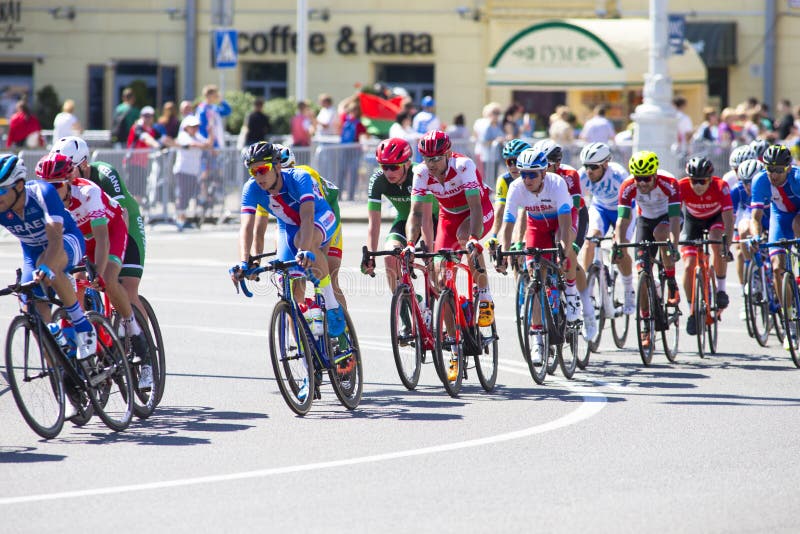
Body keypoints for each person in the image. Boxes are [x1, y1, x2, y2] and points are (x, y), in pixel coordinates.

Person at [36, 153, 153, 389]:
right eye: (46, 187)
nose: (51, 192)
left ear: (68, 181)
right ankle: (90, 354)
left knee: (109, 279)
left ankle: (136, 335)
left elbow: (102, 240)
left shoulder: (87, 193)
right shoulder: (45, 203)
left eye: (56, 186)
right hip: (83, 240)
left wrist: (98, 273)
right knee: (73, 288)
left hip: (112, 230)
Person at [232, 142, 346, 351]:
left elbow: (307, 216)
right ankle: (306, 359)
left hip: (321, 216)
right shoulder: (252, 188)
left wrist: (304, 251)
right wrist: (244, 261)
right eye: (253, 171)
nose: (258, 176)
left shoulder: (299, 177)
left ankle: (331, 304)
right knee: (288, 281)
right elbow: (247, 228)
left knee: (306, 244)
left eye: (262, 169)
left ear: (277, 166)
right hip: (289, 227)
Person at [407, 132, 495, 365]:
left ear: (447, 154)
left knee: (466, 238)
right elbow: (415, 213)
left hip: (477, 212)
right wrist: (409, 244)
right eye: (427, 158)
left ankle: (485, 295)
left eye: (436, 159)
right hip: (449, 217)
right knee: (439, 279)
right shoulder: (421, 173)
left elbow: (476, 207)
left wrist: (475, 240)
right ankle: (455, 346)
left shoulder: (464, 165)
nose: (431, 164)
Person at [0, 154, 95, 362]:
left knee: (48, 265)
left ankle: (83, 326)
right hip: (32, 252)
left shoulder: (44, 193)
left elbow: (55, 242)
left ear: (19, 186)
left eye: (1, 190)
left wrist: (47, 268)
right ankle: (62, 367)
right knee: (30, 307)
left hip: (66, 240)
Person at [494, 148, 580, 363]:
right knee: (534, 274)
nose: (527, 179)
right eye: (523, 174)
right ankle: (538, 340)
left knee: (566, 254)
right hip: (538, 226)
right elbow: (508, 225)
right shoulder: (516, 187)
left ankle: (570, 297)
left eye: (532, 174)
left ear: (543, 172)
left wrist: (562, 249)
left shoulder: (556, 183)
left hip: (560, 223)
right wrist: (504, 252)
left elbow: (565, 223)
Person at [51, 135, 148, 326]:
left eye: (69, 170)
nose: (64, 176)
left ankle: (142, 342)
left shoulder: (104, 173)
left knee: (127, 288)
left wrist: (112, 260)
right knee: (77, 281)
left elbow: (123, 216)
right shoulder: (62, 188)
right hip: (89, 232)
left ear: (84, 164)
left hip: (124, 224)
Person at [615, 151, 681, 348]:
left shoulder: (668, 182)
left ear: (654, 174)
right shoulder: (628, 186)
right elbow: (623, 220)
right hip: (645, 221)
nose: (642, 183)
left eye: (646, 179)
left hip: (667, 219)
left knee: (662, 235)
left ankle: (670, 281)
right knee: (642, 274)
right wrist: (619, 244)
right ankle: (646, 325)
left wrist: (674, 245)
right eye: (638, 179)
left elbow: (676, 218)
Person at [362, 137, 436, 294]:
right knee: (390, 256)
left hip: (434, 219)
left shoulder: (420, 174)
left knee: (436, 274)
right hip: (405, 219)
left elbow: (426, 219)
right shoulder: (378, 180)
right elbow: (373, 224)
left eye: (394, 167)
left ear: (407, 163)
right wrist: (370, 255)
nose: (389, 172)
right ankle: (405, 304)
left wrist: (429, 253)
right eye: (384, 167)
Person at [578, 142, 635, 325]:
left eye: (593, 167)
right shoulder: (582, 176)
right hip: (600, 208)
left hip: (624, 210)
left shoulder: (618, 175)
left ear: (605, 164)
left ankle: (628, 291)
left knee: (622, 247)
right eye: (586, 166)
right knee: (590, 241)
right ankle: (587, 291)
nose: (589, 171)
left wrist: (618, 236)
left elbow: (626, 206)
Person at [750, 145, 800, 347]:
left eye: (779, 169)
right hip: (779, 219)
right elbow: (756, 217)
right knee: (777, 266)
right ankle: (788, 320)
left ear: (788, 168)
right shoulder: (760, 180)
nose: (774, 174)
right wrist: (755, 237)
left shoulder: (797, 178)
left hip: (798, 217)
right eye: (770, 168)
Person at [677, 157, 734, 336]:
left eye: (702, 181)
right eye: (694, 181)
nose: (698, 185)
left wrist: (727, 245)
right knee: (688, 266)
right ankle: (692, 311)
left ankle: (721, 289)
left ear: (710, 179)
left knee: (717, 241)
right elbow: (675, 216)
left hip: (715, 219)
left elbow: (729, 219)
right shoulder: (682, 186)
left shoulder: (721, 186)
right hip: (692, 221)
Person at [730, 158, 767, 320]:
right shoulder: (737, 190)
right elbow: (730, 218)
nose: (749, 187)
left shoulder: (769, 186)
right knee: (743, 231)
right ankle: (751, 273)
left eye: (752, 182)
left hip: (770, 215)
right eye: (745, 182)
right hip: (751, 216)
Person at [484, 138, 531, 254]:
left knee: (522, 213)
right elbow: (499, 211)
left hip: (537, 216)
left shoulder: (534, 177)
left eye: (517, 161)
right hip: (518, 217)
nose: (513, 166)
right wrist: (494, 236)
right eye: (509, 162)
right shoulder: (504, 180)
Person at [173, 115, 212, 229]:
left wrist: (211, 133)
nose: (195, 128)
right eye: (192, 126)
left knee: (188, 195)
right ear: (186, 127)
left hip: (193, 171)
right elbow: (193, 145)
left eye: (196, 126)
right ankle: (180, 219)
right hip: (183, 170)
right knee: (183, 195)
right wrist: (204, 146)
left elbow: (208, 145)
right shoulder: (183, 136)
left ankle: (183, 218)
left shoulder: (198, 136)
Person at [124, 105, 163, 204]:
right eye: (145, 116)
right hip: (132, 163)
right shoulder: (137, 127)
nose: (147, 118)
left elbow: (164, 139)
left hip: (143, 164)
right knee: (132, 191)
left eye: (150, 116)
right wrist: (157, 145)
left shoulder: (152, 130)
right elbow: (145, 138)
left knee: (140, 190)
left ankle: (138, 214)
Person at [339, 102, 368, 200]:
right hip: (353, 151)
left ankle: (342, 196)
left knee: (344, 172)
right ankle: (348, 196)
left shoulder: (345, 119)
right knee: (350, 173)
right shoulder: (358, 123)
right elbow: (365, 135)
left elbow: (341, 106)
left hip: (346, 150)